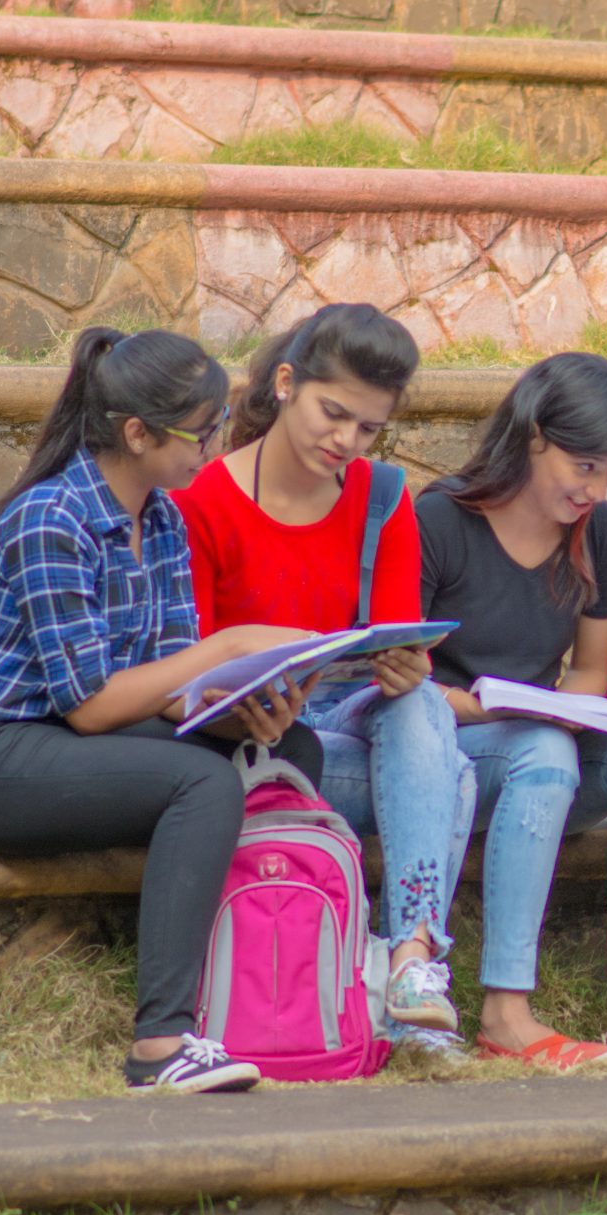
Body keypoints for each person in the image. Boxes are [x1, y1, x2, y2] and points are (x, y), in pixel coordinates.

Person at [0, 327, 320, 1093]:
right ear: (137, 433)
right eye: (202, 431)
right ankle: (160, 1044)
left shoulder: (162, 517)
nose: (214, 446)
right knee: (203, 783)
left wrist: (242, 707)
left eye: (220, 424)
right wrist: (229, 646)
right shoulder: (51, 519)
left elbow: (168, 682)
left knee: (289, 750)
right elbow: (91, 706)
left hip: (61, 734)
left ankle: (266, 993)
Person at [173, 303, 478, 1042]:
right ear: (285, 383)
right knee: (457, 780)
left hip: (343, 724)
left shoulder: (382, 496)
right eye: (333, 414)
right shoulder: (202, 501)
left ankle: (409, 957)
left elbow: (393, 640)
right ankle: (408, 998)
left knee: (422, 707)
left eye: (367, 428)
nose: (346, 441)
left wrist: (403, 667)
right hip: (253, 743)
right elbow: (190, 671)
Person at [418, 352, 607, 1069]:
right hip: (451, 746)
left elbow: (591, 668)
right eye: (584, 466)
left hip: (541, 741)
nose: (596, 488)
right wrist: (498, 710)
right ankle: (505, 1014)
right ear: (535, 435)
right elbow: (400, 683)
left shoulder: (601, 533)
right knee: (544, 749)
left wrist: (585, 705)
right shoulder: (440, 521)